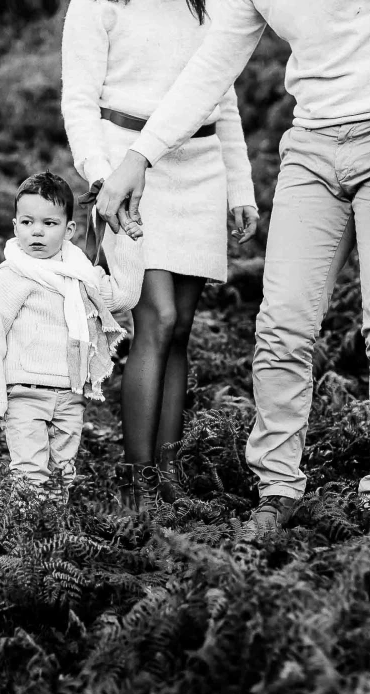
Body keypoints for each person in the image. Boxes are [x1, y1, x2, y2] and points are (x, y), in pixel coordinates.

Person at [94, 0, 370, 530]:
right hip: (313, 146)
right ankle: (278, 488)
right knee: (282, 325)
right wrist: (137, 159)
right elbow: (211, 67)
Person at [61, 0, 259, 512]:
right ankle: (137, 478)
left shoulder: (209, 4)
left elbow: (224, 93)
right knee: (158, 317)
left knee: (180, 328)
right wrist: (104, 179)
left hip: (200, 168)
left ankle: (169, 471)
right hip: (129, 172)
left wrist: (240, 188)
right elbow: (79, 102)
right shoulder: (98, 4)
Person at [0, 172, 126, 494]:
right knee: (30, 475)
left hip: (70, 395)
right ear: (15, 226)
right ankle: (28, 540)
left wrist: (126, 232)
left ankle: (54, 538)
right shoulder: (11, 275)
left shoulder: (80, 274)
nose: (37, 232)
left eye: (49, 223)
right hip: (24, 393)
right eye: (27, 223)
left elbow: (123, 297)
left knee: (62, 476)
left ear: (69, 230)